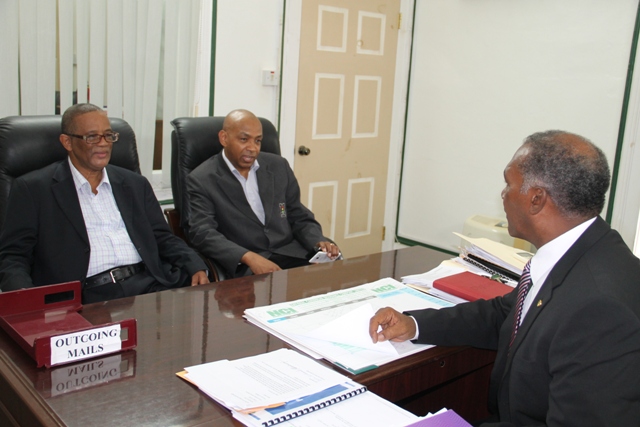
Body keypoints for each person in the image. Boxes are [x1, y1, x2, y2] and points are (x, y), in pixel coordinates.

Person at [369, 131, 640, 426]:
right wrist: (416, 325)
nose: (503, 194)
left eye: (508, 184)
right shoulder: (580, 251)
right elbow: (508, 314)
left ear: (536, 200)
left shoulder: (600, 307)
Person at [0, 103, 209, 303]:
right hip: (85, 296)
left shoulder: (134, 184)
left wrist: (195, 264)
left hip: (149, 285)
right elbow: (13, 256)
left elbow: (161, 237)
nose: (103, 143)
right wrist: (26, 300)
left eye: (108, 135)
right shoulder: (33, 188)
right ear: (67, 142)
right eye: (92, 137)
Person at [186, 109, 340, 278]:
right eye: (244, 139)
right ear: (224, 138)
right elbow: (203, 232)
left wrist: (318, 241)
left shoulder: (278, 166)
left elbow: (298, 215)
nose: (252, 148)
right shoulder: (202, 179)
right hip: (247, 263)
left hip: (292, 253)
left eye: (258, 141)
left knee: (335, 275)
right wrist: (249, 257)